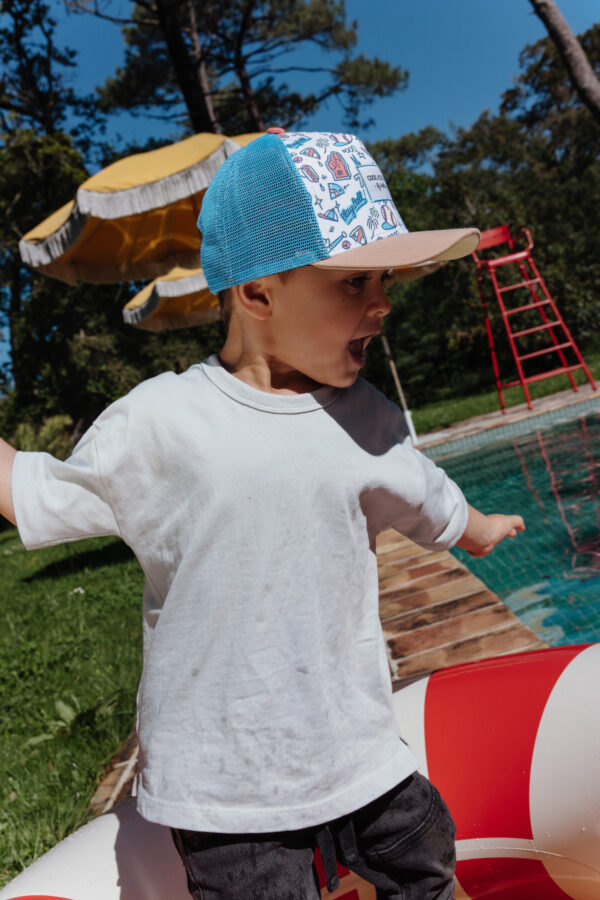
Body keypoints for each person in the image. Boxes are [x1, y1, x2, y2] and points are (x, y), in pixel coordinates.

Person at [0, 130, 524, 900]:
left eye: (383, 279)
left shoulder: (368, 419)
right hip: (227, 786)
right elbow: (33, 490)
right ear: (257, 295)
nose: (382, 302)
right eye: (354, 281)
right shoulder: (161, 423)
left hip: (356, 750)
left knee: (424, 849)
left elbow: (428, 494)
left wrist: (479, 530)